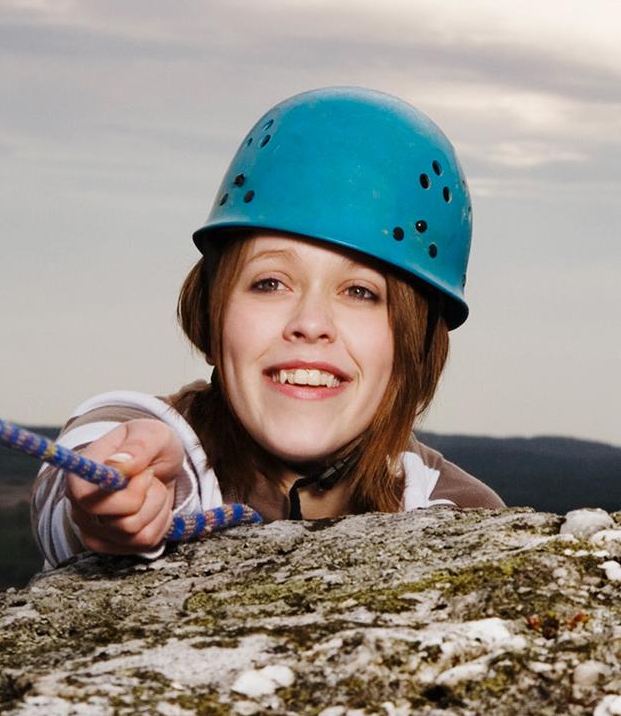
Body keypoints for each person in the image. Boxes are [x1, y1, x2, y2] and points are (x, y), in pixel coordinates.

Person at [32, 87, 504, 566]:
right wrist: (116, 496)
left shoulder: (450, 509)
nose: (310, 324)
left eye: (360, 292)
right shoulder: (175, 450)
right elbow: (84, 464)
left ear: (416, 344)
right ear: (212, 312)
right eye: (271, 283)